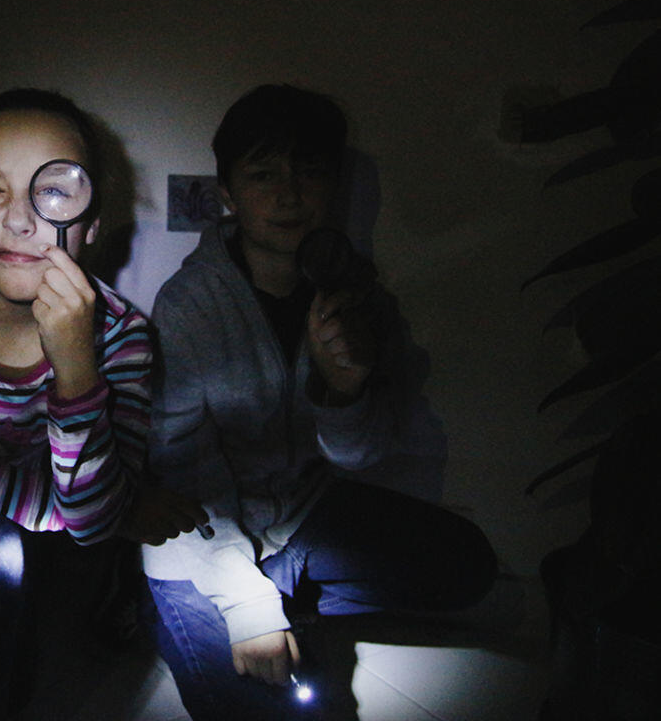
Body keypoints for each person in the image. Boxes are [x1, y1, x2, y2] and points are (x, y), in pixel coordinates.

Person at [141, 85, 497, 720]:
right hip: (197, 541)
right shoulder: (188, 305)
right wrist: (245, 604)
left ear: (332, 185)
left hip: (300, 520)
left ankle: (286, 597)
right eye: (263, 174)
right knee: (265, 708)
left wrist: (343, 390)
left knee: (467, 565)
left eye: (308, 172)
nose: (289, 195)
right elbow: (182, 472)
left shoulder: (355, 295)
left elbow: (362, 456)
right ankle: (182, 608)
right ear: (228, 193)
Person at [0, 87, 202, 718]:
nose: (20, 219)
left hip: (38, 485)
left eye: (52, 192)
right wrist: (94, 515)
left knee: (63, 611)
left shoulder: (124, 336)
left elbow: (95, 514)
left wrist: (76, 369)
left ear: (92, 225)